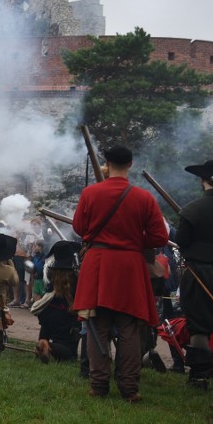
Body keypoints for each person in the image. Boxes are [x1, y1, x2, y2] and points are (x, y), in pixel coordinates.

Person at [72, 145, 169, 403]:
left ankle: (99, 385)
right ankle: (129, 387)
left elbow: (80, 228)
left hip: (99, 263)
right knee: (128, 328)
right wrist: (135, 240)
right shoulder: (144, 198)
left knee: (96, 326)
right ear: (131, 164)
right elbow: (160, 236)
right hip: (129, 266)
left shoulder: (90, 193)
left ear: (107, 162)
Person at [174, 159, 213, 390]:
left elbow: (182, 242)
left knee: (199, 326)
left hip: (201, 272)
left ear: (204, 181)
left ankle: (200, 376)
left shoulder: (193, 210)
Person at [32, 240, 82, 363]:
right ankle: (48, 346)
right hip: (66, 315)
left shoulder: (51, 273)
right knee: (69, 353)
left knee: (45, 332)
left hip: (48, 312)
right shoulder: (74, 277)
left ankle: (42, 344)